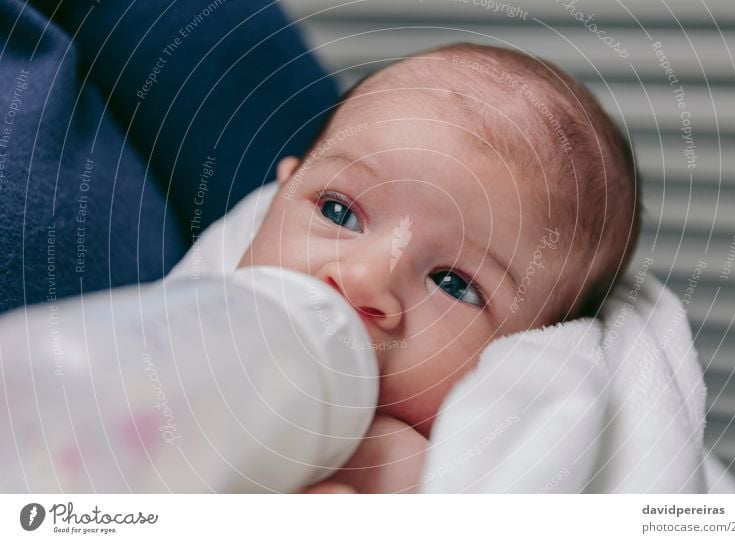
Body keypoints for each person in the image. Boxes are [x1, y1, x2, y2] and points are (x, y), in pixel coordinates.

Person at [238, 42, 640, 493]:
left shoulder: (417, 482)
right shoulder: (180, 330)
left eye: (452, 284)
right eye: (338, 212)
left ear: (527, 353)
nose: (364, 281)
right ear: (281, 193)